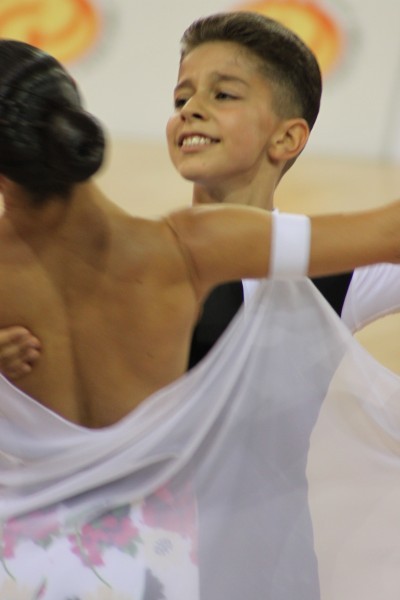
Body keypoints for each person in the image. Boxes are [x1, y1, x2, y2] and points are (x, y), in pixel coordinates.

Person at [0, 36, 400, 599]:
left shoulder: (330, 277)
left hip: (68, 564)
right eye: (180, 97)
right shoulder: (171, 254)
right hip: (169, 564)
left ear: (288, 137)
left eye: (224, 94)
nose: (191, 109)